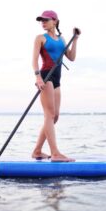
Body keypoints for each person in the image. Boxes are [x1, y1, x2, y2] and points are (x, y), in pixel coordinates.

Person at [32, 10, 80, 162]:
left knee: (55, 116)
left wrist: (76, 39)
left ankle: (37, 151)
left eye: (46, 20)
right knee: (49, 114)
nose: (43, 22)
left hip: (57, 78)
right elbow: (34, 61)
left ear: (55, 21)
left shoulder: (62, 39)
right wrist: (38, 77)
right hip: (46, 76)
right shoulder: (40, 38)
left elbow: (71, 57)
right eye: (41, 20)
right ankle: (55, 153)